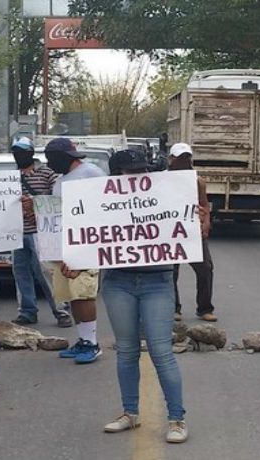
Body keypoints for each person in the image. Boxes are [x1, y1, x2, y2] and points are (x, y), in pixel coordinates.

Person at [101, 150, 201, 444]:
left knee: (161, 351)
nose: (138, 176)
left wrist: (197, 220)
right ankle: (130, 412)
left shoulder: (165, 196)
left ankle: (177, 418)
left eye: (142, 170)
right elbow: (88, 236)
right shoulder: (102, 202)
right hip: (118, 281)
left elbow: (188, 228)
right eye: (131, 172)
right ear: (116, 174)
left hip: (157, 280)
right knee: (126, 350)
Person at [45, 138, 106, 364]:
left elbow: (106, 204)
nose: (49, 164)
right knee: (72, 295)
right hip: (65, 246)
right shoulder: (61, 180)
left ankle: (92, 344)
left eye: (51, 159)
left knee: (83, 293)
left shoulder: (91, 173)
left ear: (64, 157)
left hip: (85, 244)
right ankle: (83, 339)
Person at [10, 137, 73, 328]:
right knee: (20, 273)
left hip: (42, 231)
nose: (19, 156)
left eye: (22, 152)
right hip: (17, 231)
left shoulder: (47, 173)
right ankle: (27, 311)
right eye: (15, 152)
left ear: (30, 153)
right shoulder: (10, 177)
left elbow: (59, 197)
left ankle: (61, 310)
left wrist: (34, 205)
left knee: (47, 272)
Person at [168, 143, 217, 322]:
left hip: (191, 231)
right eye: (180, 158)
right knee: (170, 271)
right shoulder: (161, 180)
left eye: (187, 157)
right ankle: (174, 308)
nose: (184, 161)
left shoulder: (197, 181)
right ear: (171, 159)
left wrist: (206, 223)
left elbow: (204, 204)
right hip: (169, 232)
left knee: (205, 268)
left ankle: (205, 308)